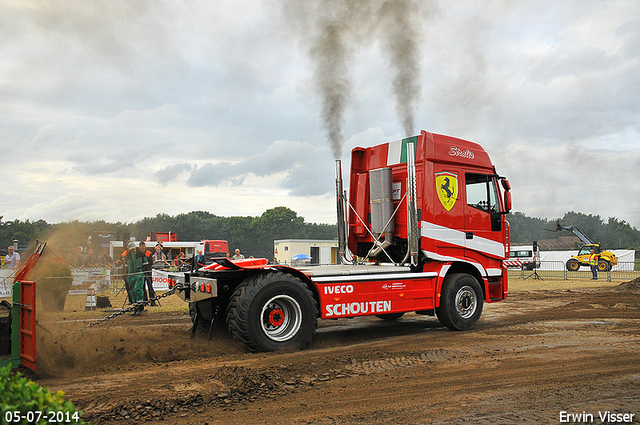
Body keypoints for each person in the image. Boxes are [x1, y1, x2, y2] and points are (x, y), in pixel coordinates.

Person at [124, 242, 146, 315]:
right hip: (131, 276)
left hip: (139, 274)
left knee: (137, 290)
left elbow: (146, 265)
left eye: (133, 248)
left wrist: (146, 273)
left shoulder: (141, 254)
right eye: (131, 249)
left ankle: (140, 308)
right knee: (132, 292)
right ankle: (135, 308)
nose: (133, 250)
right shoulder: (127, 256)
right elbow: (126, 267)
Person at [139, 242, 157, 306]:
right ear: (140, 247)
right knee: (143, 287)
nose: (143, 248)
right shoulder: (138, 254)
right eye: (142, 246)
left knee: (150, 286)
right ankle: (145, 301)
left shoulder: (149, 253)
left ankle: (152, 301)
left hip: (148, 271)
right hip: (142, 272)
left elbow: (151, 262)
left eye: (144, 246)